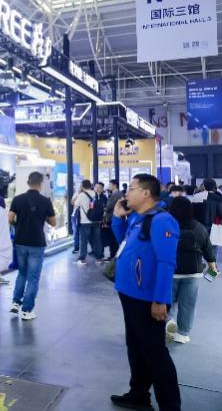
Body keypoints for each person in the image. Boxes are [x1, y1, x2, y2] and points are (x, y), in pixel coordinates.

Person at [110, 174, 181, 411]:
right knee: (135, 347)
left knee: (155, 353)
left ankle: (170, 406)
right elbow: (124, 244)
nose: (126, 193)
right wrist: (118, 218)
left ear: (146, 193)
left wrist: (160, 299)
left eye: (131, 188)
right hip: (129, 293)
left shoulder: (162, 221)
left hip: (147, 298)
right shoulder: (138, 218)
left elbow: (166, 262)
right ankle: (138, 394)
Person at [166, 196, 217, 343]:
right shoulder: (198, 227)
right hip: (193, 272)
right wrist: (213, 268)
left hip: (170, 271)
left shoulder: (167, 227)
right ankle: (183, 334)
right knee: (188, 304)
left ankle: (168, 321)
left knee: (168, 300)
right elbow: (208, 249)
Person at [8, 172, 56, 321]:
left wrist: (18, 224)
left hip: (20, 241)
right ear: (40, 184)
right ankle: (26, 310)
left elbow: (9, 218)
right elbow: (53, 222)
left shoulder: (17, 199)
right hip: (36, 243)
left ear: (28, 183)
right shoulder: (45, 201)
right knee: (33, 278)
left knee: (22, 273)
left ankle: (16, 302)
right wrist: (41, 217)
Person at [73, 179, 103, 265]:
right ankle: (99, 258)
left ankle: (82, 259)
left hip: (85, 221)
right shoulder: (96, 193)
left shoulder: (81, 195)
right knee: (97, 240)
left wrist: (79, 193)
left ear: (82, 186)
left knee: (84, 241)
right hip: (96, 220)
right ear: (91, 186)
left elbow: (75, 204)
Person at [104, 179, 124, 258]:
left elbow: (109, 206)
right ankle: (113, 254)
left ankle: (113, 255)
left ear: (115, 185)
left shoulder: (116, 194)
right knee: (113, 238)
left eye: (110, 185)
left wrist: (104, 209)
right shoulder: (117, 194)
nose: (109, 186)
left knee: (112, 238)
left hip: (113, 217)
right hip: (114, 217)